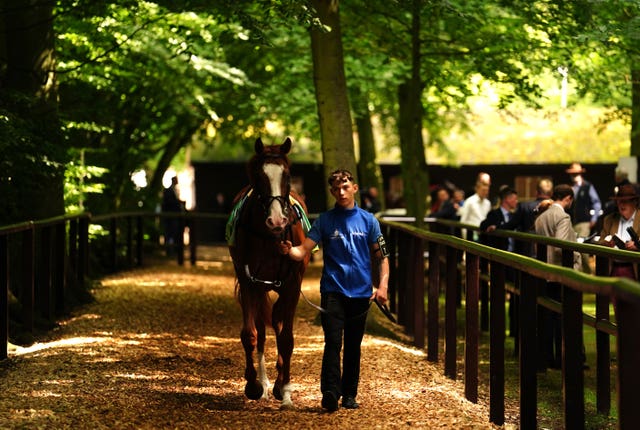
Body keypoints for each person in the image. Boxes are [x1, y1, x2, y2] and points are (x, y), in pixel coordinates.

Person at [278, 169, 389, 412]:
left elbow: (382, 258)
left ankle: (349, 394)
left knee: (353, 346)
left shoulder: (370, 221)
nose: (341, 192)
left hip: (361, 294)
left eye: (345, 187)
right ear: (331, 192)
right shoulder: (325, 221)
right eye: (337, 189)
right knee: (332, 342)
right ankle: (330, 392)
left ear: (354, 188)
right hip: (332, 292)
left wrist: (382, 286)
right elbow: (303, 249)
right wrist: (290, 250)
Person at [534, 184, 582, 369]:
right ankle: (562, 358)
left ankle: (546, 357)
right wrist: (577, 255)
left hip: (544, 270)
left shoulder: (542, 216)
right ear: (568, 198)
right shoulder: (562, 216)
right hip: (559, 271)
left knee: (548, 316)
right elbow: (562, 246)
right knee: (562, 317)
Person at [598, 183, 640, 280]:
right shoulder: (609, 219)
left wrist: (637, 246)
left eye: (625, 201)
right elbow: (600, 242)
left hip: (635, 269)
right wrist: (606, 243)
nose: (621, 205)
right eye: (619, 202)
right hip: (613, 268)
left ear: (635, 202)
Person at [567, 162, 601, 272]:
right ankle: (580, 274)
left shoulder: (587, 186)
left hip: (584, 222)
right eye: (572, 173)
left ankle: (587, 273)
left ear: (580, 173)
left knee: (583, 248)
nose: (574, 175)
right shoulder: (570, 187)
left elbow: (596, 203)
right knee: (574, 249)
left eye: (576, 173)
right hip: (572, 222)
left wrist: (594, 218)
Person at [161, 176, 185, 256]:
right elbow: (168, 203)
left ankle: (173, 250)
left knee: (173, 233)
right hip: (170, 217)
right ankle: (169, 251)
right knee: (170, 233)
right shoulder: (168, 191)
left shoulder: (175, 191)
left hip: (174, 217)